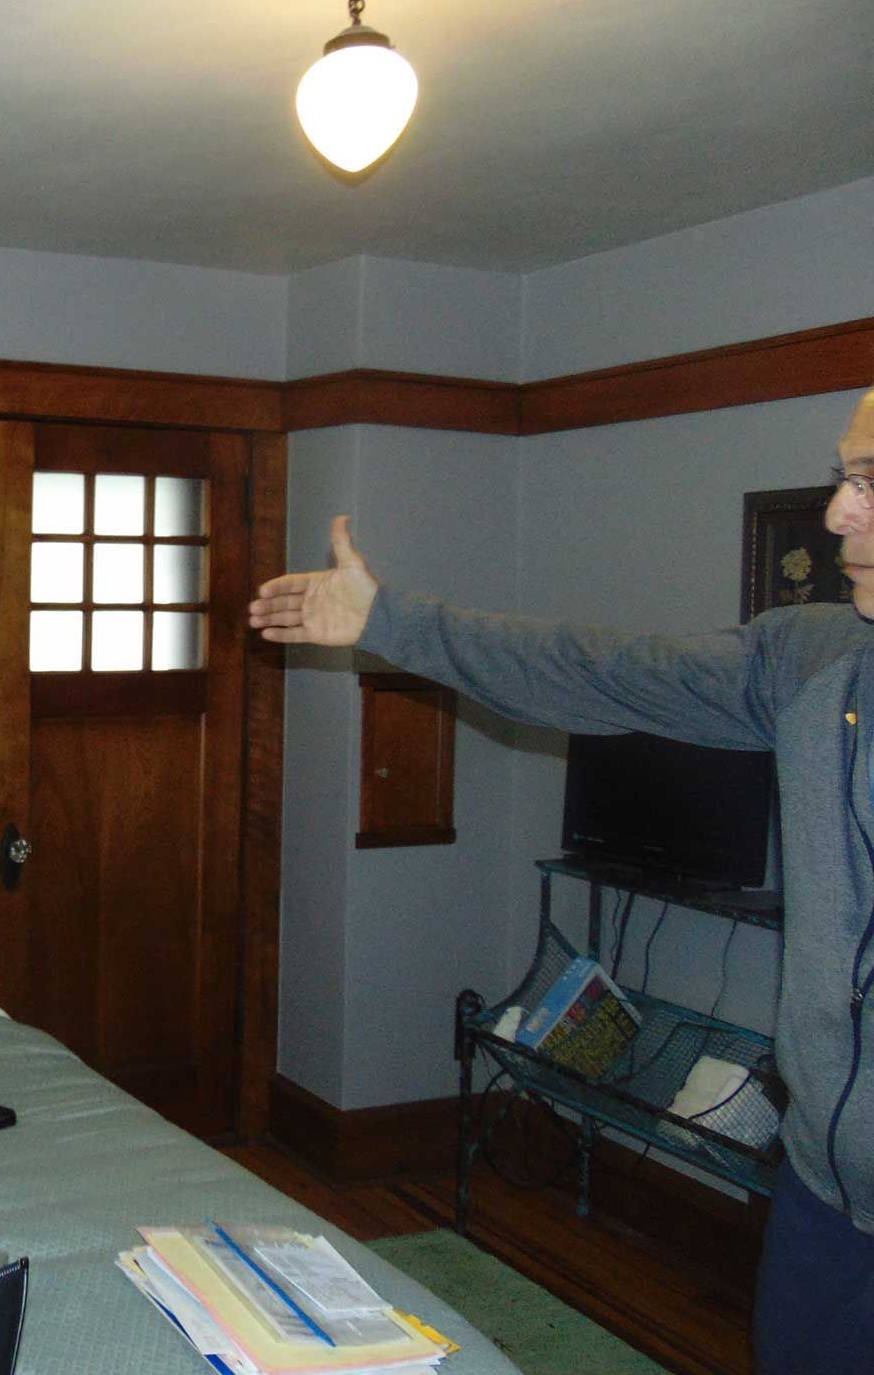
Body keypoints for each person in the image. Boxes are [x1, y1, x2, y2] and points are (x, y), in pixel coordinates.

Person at [248, 386, 874, 1374]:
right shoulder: (815, 660)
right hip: (826, 1195)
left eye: (869, 481)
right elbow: (603, 671)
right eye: (844, 478)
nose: (839, 512)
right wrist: (393, 623)